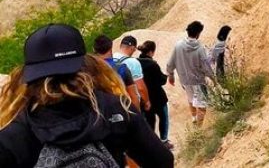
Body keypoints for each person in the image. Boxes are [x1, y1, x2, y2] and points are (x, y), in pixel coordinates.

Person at [0, 23, 173, 168]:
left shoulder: (16, 132)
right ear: (87, 64)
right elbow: (162, 161)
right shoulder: (114, 109)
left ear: (28, 74)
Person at [167, 21, 214, 126]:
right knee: (202, 104)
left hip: (185, 81)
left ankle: (193, 118)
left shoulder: (178, 45)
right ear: (198, 34)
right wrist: (212, 77)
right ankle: (198, 128)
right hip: (198, 81)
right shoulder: (200, 48)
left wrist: (171, 75)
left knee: (191, 98)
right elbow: (205, 66)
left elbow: (170, 63)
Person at [138, 41, 172, 150]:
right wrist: (165, 76)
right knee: (163, 118)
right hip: (158, 97)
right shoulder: (152, 64)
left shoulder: (136, 62)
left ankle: (152, 145)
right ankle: (164, 141)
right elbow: (161, 80)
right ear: (151, 52)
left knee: (149, 122)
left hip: (144, 99)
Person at [93, 34, 141, 111]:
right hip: (120, 112)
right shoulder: (121, 68)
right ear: (110, 48)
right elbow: (133, 96)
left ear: (94, 49)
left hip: (99, 114)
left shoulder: (88, 69)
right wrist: (138, 118)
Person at [114, 35, 151, 114]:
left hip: (116, 100)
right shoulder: (133, 62)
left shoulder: (112, 58)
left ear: (121, 46)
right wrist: (147, 101)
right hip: (131, 102)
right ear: (133, 48)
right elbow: (140, 87)